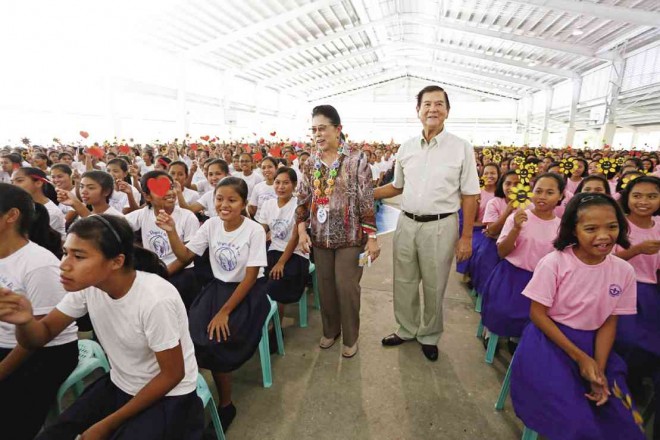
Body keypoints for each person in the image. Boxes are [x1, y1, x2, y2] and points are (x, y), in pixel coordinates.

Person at [0, 214, 203, 439]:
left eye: (78, 256)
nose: (64, 265)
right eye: (65, 252)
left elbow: (172, 375)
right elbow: (41, 336)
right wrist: (25, 322)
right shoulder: (90, 286)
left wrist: (106, 425)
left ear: (116, 262)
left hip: (168, 396)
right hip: (121, 383)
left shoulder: (155, 299)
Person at [510, 193, 645, 440]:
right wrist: (581, 358)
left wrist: (598, 369)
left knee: (623, 420)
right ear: (574, 230)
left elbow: (609, 322)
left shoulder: (624, 271)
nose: (604, 236)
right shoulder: (555, 263)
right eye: (591, 229)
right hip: (548, 341)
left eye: (612, 227)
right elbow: (537, 314)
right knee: (575, 421)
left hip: (595, 344)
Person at [375, 85, 480, 361]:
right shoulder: (407, 147)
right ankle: (406, 328)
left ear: (447, 110)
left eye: (439, 104)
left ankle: (429, 335)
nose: (433, 109)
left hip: (441, 226)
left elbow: (470, 194)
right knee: (404, 281)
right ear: (418, 110)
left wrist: (466, 236)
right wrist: (366, 193)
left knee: (434, 284)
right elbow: (397, 186)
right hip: (407, 223)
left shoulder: (461, 148)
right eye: (427, 104)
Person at [156, 177, 269, 431]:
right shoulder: (210, 225)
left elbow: (251, 277)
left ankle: (226, 404)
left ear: (243, 203)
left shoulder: (254, 230)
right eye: (219, 199)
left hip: (247, 292)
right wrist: (171, 232)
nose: (224, 205)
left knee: (217, 340)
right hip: (218, 288)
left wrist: (224, 312)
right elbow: (185, 256)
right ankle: (186, 394)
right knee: (188, 336)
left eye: (232, 200)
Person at [296, 105, 378, 359]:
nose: (317, 135)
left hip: (350, 237)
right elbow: (303, 199)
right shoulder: (311, 163)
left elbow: (366, 200)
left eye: (322, 129)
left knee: (347, 286)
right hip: (320, 237)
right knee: (326, 286)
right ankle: (331, 330)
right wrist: (302, 230)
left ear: (338, 129)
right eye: (314, 130)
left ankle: (351, 337)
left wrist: (372, 238)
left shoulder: (356, 160)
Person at [0, 184, 78, 440]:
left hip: (41, 351)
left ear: (11, 216)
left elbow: (38, 336)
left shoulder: (38, 264)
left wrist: (1, 371)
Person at [480, 173, 564, 343]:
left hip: (540, 281)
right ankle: (491, 332)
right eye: (538, 191)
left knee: (532, 318)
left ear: (561, 196)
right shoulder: (518, 218)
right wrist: (516, 229)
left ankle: (516, 340)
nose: (542, 197)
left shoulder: (561, 227)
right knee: (500, 310)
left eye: (550, 192)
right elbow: (502, 252)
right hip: (510, 275)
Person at [125, 171, 201, 309]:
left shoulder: (187, 217)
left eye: (171, 187)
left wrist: (163, 273)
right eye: (161, 189)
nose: (170, 192)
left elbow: (186, 258)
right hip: (153, 272)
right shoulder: (143, 214)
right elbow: (117, 226)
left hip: (180, 274)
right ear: (147, 196)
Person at [257, 167, 309, 334]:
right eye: (277, 182)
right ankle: (262, 326)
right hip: (273, 250)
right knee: (258, 283)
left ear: (294, 185)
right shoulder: (268, 204)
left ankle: (276, 330)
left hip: (295, 255)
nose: (280, 187)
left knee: (274, 286)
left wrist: (281, 263)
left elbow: (294, 238)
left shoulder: (299, 206)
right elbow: (261, 229)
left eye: (286, 183)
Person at [469, 170, 519, 296]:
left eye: (517, 184)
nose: (512, 188)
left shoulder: (529, 206)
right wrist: (507, 212)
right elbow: (491, 230)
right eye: (508, 183)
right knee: (487, 273)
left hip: (519, 246)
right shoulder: (495, 202)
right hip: (494, 244)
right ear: (502, 185)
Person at [11, 167, 66, 238]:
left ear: (38, 183)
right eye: (12, 182)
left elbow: (34, 239)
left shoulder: (50, 212)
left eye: (19, 181)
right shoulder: (19, 204)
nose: (13, 185)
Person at [57, 170, 125, 218]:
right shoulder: (86, 213)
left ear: (106, 191)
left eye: (91, 188)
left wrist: (76, 204)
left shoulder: (116, 217)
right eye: (81, 187)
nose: (83, 191)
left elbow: (96, 226)